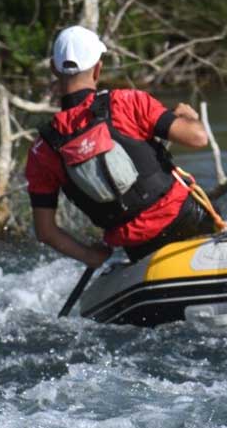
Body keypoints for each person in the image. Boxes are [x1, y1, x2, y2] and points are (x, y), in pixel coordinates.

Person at [26, 25, 214, 266]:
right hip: (186, 220)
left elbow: (46, 232)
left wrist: (90, 256)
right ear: (97, 69)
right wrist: (190, 118)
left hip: (138, 248)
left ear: (54, 68)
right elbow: (198, 138)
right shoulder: (125, 102)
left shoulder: (42, 150)